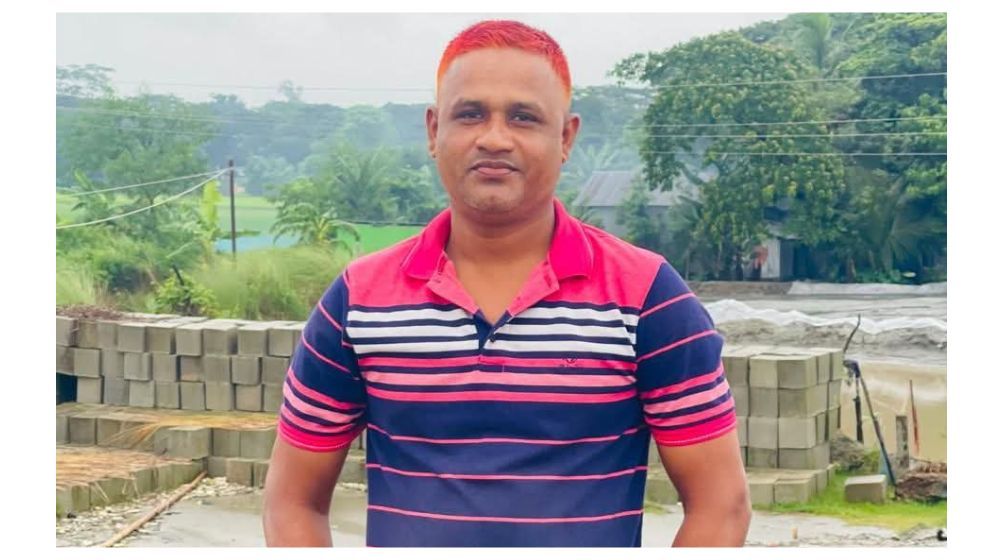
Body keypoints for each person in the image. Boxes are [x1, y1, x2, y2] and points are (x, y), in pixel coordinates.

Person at [262, 19, 751, 547]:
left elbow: (720, 506)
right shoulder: (358, 301)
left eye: (523, 117)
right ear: (433, 131)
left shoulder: (647, 298)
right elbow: (292, 502)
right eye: (470, 114)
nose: (494, 138)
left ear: (565, 137)